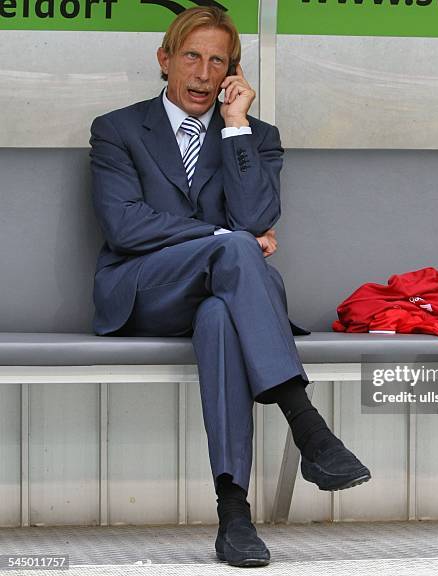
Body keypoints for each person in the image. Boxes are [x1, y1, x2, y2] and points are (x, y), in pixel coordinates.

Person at [89, 5, 370, 568]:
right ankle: (307, 425)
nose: (203, 73)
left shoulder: (256, 137)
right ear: (164, 59)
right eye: (191, 56)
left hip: (222, 299)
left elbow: (259, 211)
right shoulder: (117, 129)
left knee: (220, 317)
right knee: (239, 248)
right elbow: (126, 225)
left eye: (218, 62)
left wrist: (236, 126)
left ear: (232, 74)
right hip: (147, 291)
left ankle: (234, 516)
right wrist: (223, 235)